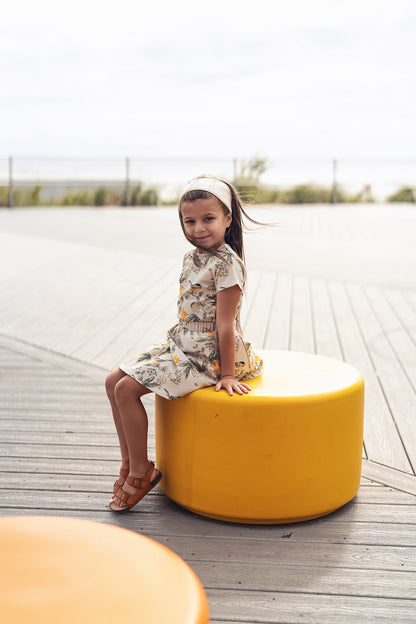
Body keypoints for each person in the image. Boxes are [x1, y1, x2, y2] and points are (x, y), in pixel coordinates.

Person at [105, 175, 263, 512]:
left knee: (126, 390)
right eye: (189, 221)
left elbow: (224, 327)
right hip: (182, 342)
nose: (198, 228)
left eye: (208, 219)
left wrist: (227, 375)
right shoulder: (191, 257)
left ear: (228, 219)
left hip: (208, 356)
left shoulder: (227, 265)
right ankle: (130, 463)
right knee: (111, 381)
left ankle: (139, 472)